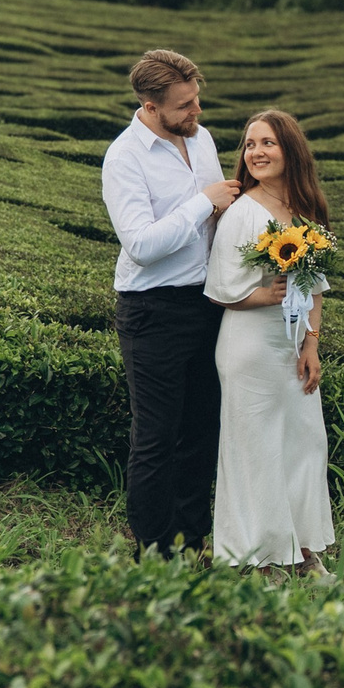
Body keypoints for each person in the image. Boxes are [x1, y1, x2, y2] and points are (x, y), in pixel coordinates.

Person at [101, 48, 273, 555]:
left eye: (197, 100)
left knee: (201, 428)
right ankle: (153, 548)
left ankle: (191, 541)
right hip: (153, 309)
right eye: (185, 105)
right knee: (156, 435)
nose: (196, 112)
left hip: (207, 302)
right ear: (150, 106)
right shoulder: (124, 158)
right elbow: (142, 245)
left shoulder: (199, 140)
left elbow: (217, 218)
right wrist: (205, 202)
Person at [204, 109, 335, 572]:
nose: (256, 152)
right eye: (249, 144)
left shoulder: (303, 211)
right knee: (255, 449)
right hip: (250, 346)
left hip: (291, 347)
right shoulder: (243, 213)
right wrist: (265, 295)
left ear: (290, 150)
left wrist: (311, 345)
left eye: (268, 143)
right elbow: (221, 287)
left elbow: (315, 287)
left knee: (304, 445)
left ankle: (301, 549)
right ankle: (258, 556)